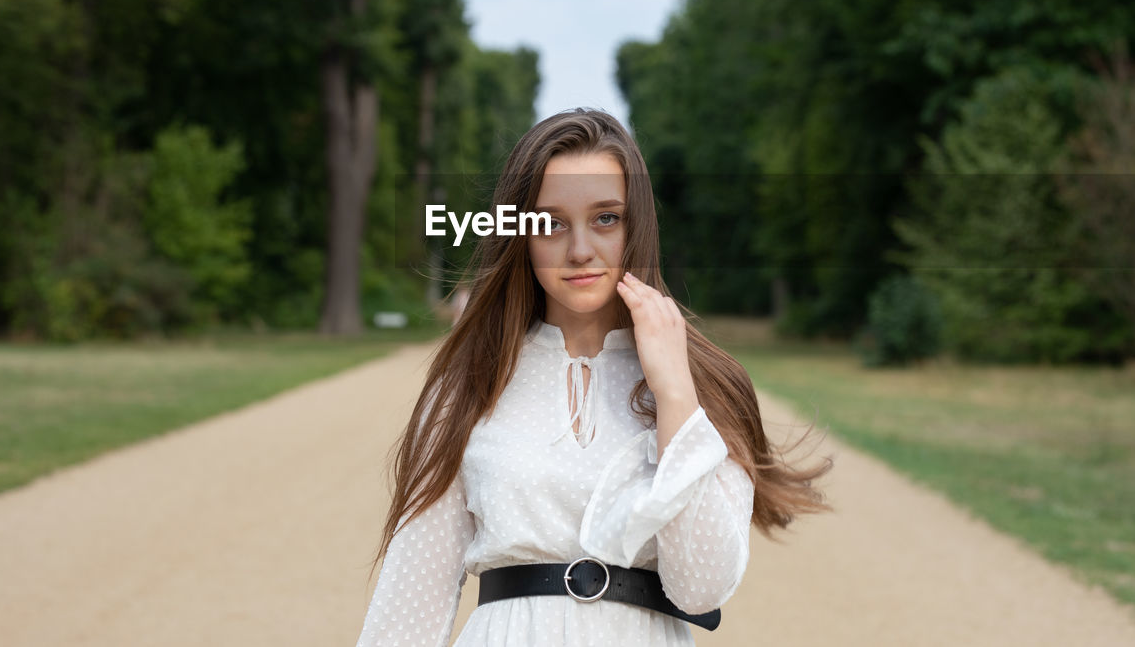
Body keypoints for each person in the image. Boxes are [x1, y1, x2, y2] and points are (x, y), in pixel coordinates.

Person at [354, 109, 831, 647]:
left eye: (605, 218)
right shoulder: (469, 385)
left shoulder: (705, 386)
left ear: (636, 226)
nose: (580, 249)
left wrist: (673, 390)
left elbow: (701, 588)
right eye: (552, 223)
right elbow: (409, 605)